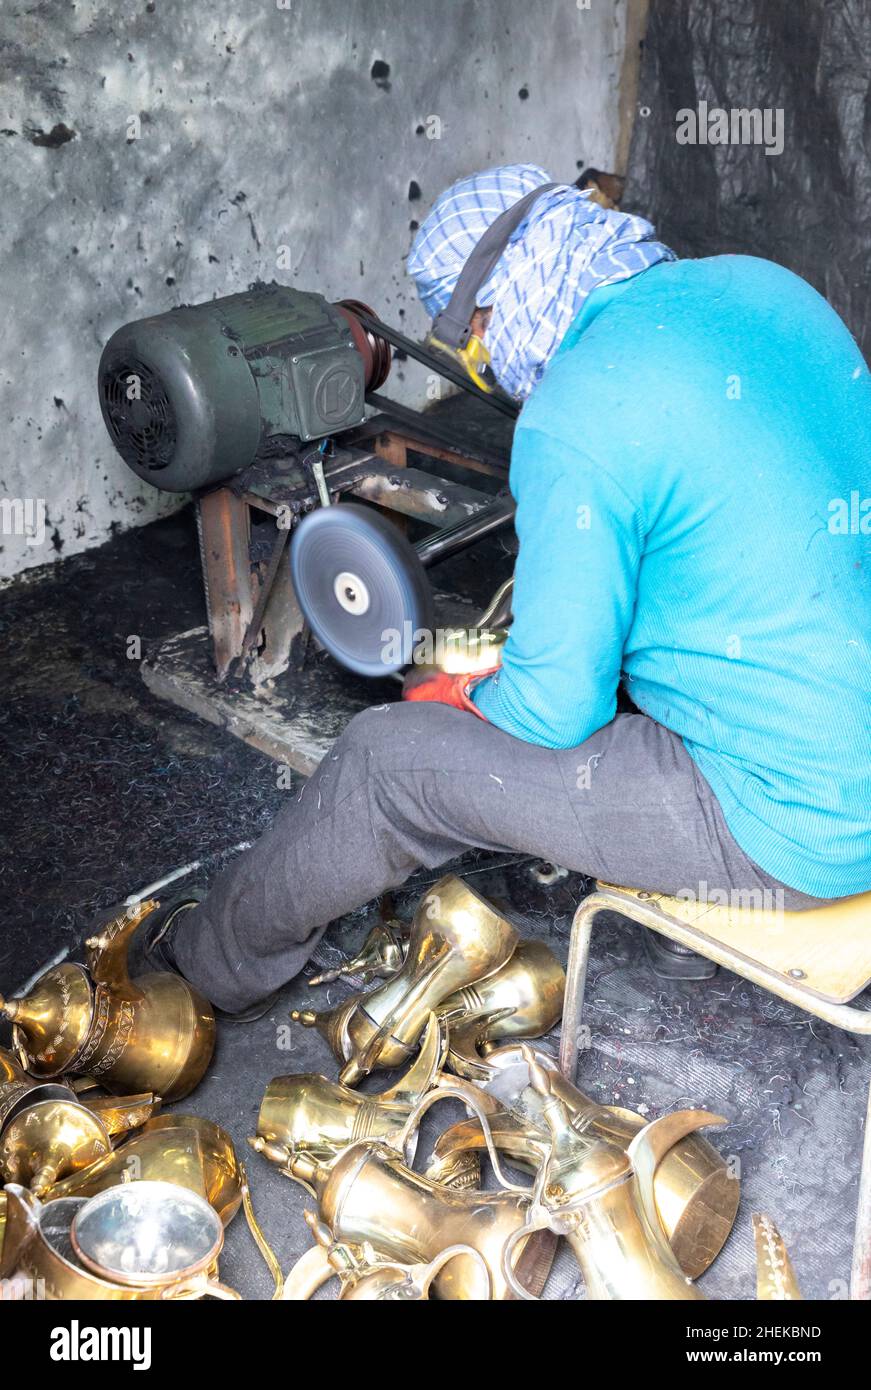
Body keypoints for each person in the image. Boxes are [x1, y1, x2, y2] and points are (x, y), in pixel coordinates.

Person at [133, 163, 870, 1018]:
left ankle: (201, 969)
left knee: (386, 764)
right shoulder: (762, 288)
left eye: (470, 325)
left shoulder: (576, 414)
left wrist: (466, 693)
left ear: (503, 291)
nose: (479, 352)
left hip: (808, 819)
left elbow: (557, 711)